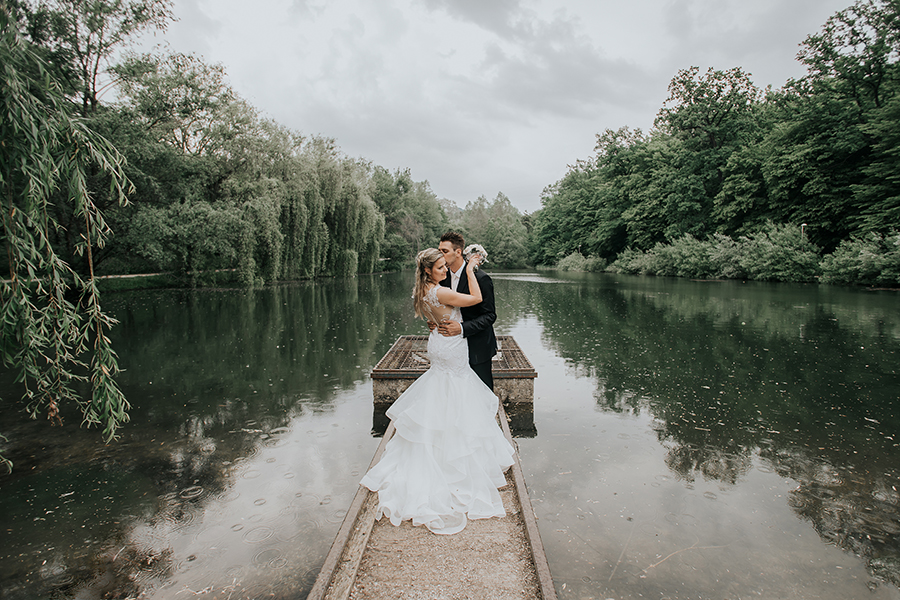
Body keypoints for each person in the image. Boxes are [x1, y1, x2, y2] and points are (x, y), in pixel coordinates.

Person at [360, 248, 515, 534]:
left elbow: (435, 317)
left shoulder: (424, 292)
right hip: (450, 348)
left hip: (440, 343)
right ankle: (453, 455)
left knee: (444, 390)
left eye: (447, 265)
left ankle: (443, 441)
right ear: (429, 270)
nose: (445, 270)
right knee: (454, 391)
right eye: (441, 267)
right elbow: (478, 299)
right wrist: (470, 268)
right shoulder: (441, 293)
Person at [436, 231, 497, 390]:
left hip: (477, 346)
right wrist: (434, 321)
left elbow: (490, 316)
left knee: (482, 392)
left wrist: (462, 328)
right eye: (439, 251)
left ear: (458, 252)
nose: (440, 255)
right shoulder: (442, 277)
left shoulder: (481, 278)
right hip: (451, 346)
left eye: (445, 251)